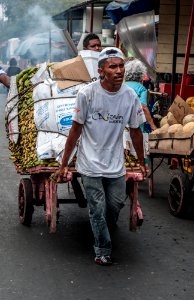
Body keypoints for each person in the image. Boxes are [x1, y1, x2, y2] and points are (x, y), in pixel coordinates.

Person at [57, 47, 146, 266]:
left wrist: (142, 162)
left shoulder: (130, 96)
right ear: (101, 71)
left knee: (115, 205)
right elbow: (75, 130)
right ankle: (102, 249)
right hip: (89, 163)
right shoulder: (87, 94)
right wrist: (65, 163)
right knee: (96, 207)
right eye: (112, 66)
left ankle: (103, 228)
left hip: (115, 164)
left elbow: (135, 130)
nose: (119, 71)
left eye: (121, 65)